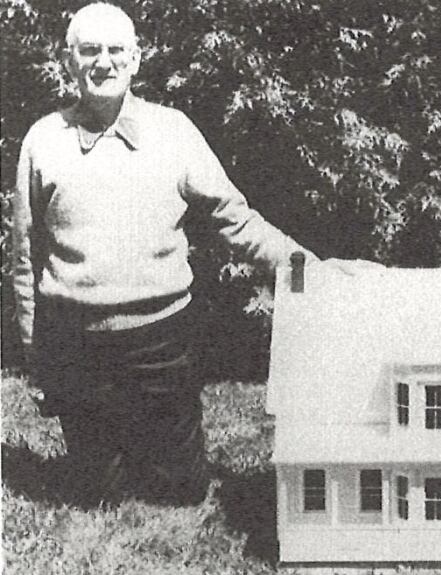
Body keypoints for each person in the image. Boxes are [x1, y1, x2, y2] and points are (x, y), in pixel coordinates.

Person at [11, 3, 369, 506]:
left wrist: (304, 266)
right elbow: (25, 260)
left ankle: (160, 451)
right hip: (77, 345)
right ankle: (102, 456)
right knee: (97, 497)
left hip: (160, 341)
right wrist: (39, 359)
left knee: (179, 493)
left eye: (116, 50)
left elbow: (235, 219)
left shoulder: (174, 132)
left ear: (136, 59)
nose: (104, 62)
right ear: (68, 60)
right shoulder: (43, 140)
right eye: (89, 50)